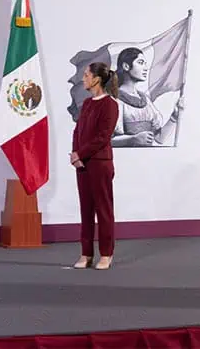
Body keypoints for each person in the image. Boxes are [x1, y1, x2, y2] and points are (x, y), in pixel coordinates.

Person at [70, 62, 121, 270]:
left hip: (100, 163)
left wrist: (81, 153)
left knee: (103, 209)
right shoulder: (88, 104)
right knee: (86, 209)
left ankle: (106, 254)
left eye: (86, 75)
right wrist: (76, 155)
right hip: (83, 164)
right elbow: (78, 131)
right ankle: (86, 253)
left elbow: (102, 137)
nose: (83, 78)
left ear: (96, 79)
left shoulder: (110, 105)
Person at [111, 47, 183, 147]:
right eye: (140, 62)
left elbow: (159, 138)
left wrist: (174, 117)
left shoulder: (145, 100)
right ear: (126, 66)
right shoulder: (114, 100)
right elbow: (107, 141)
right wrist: (133, 139)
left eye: (145, 64)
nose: (145, 68)